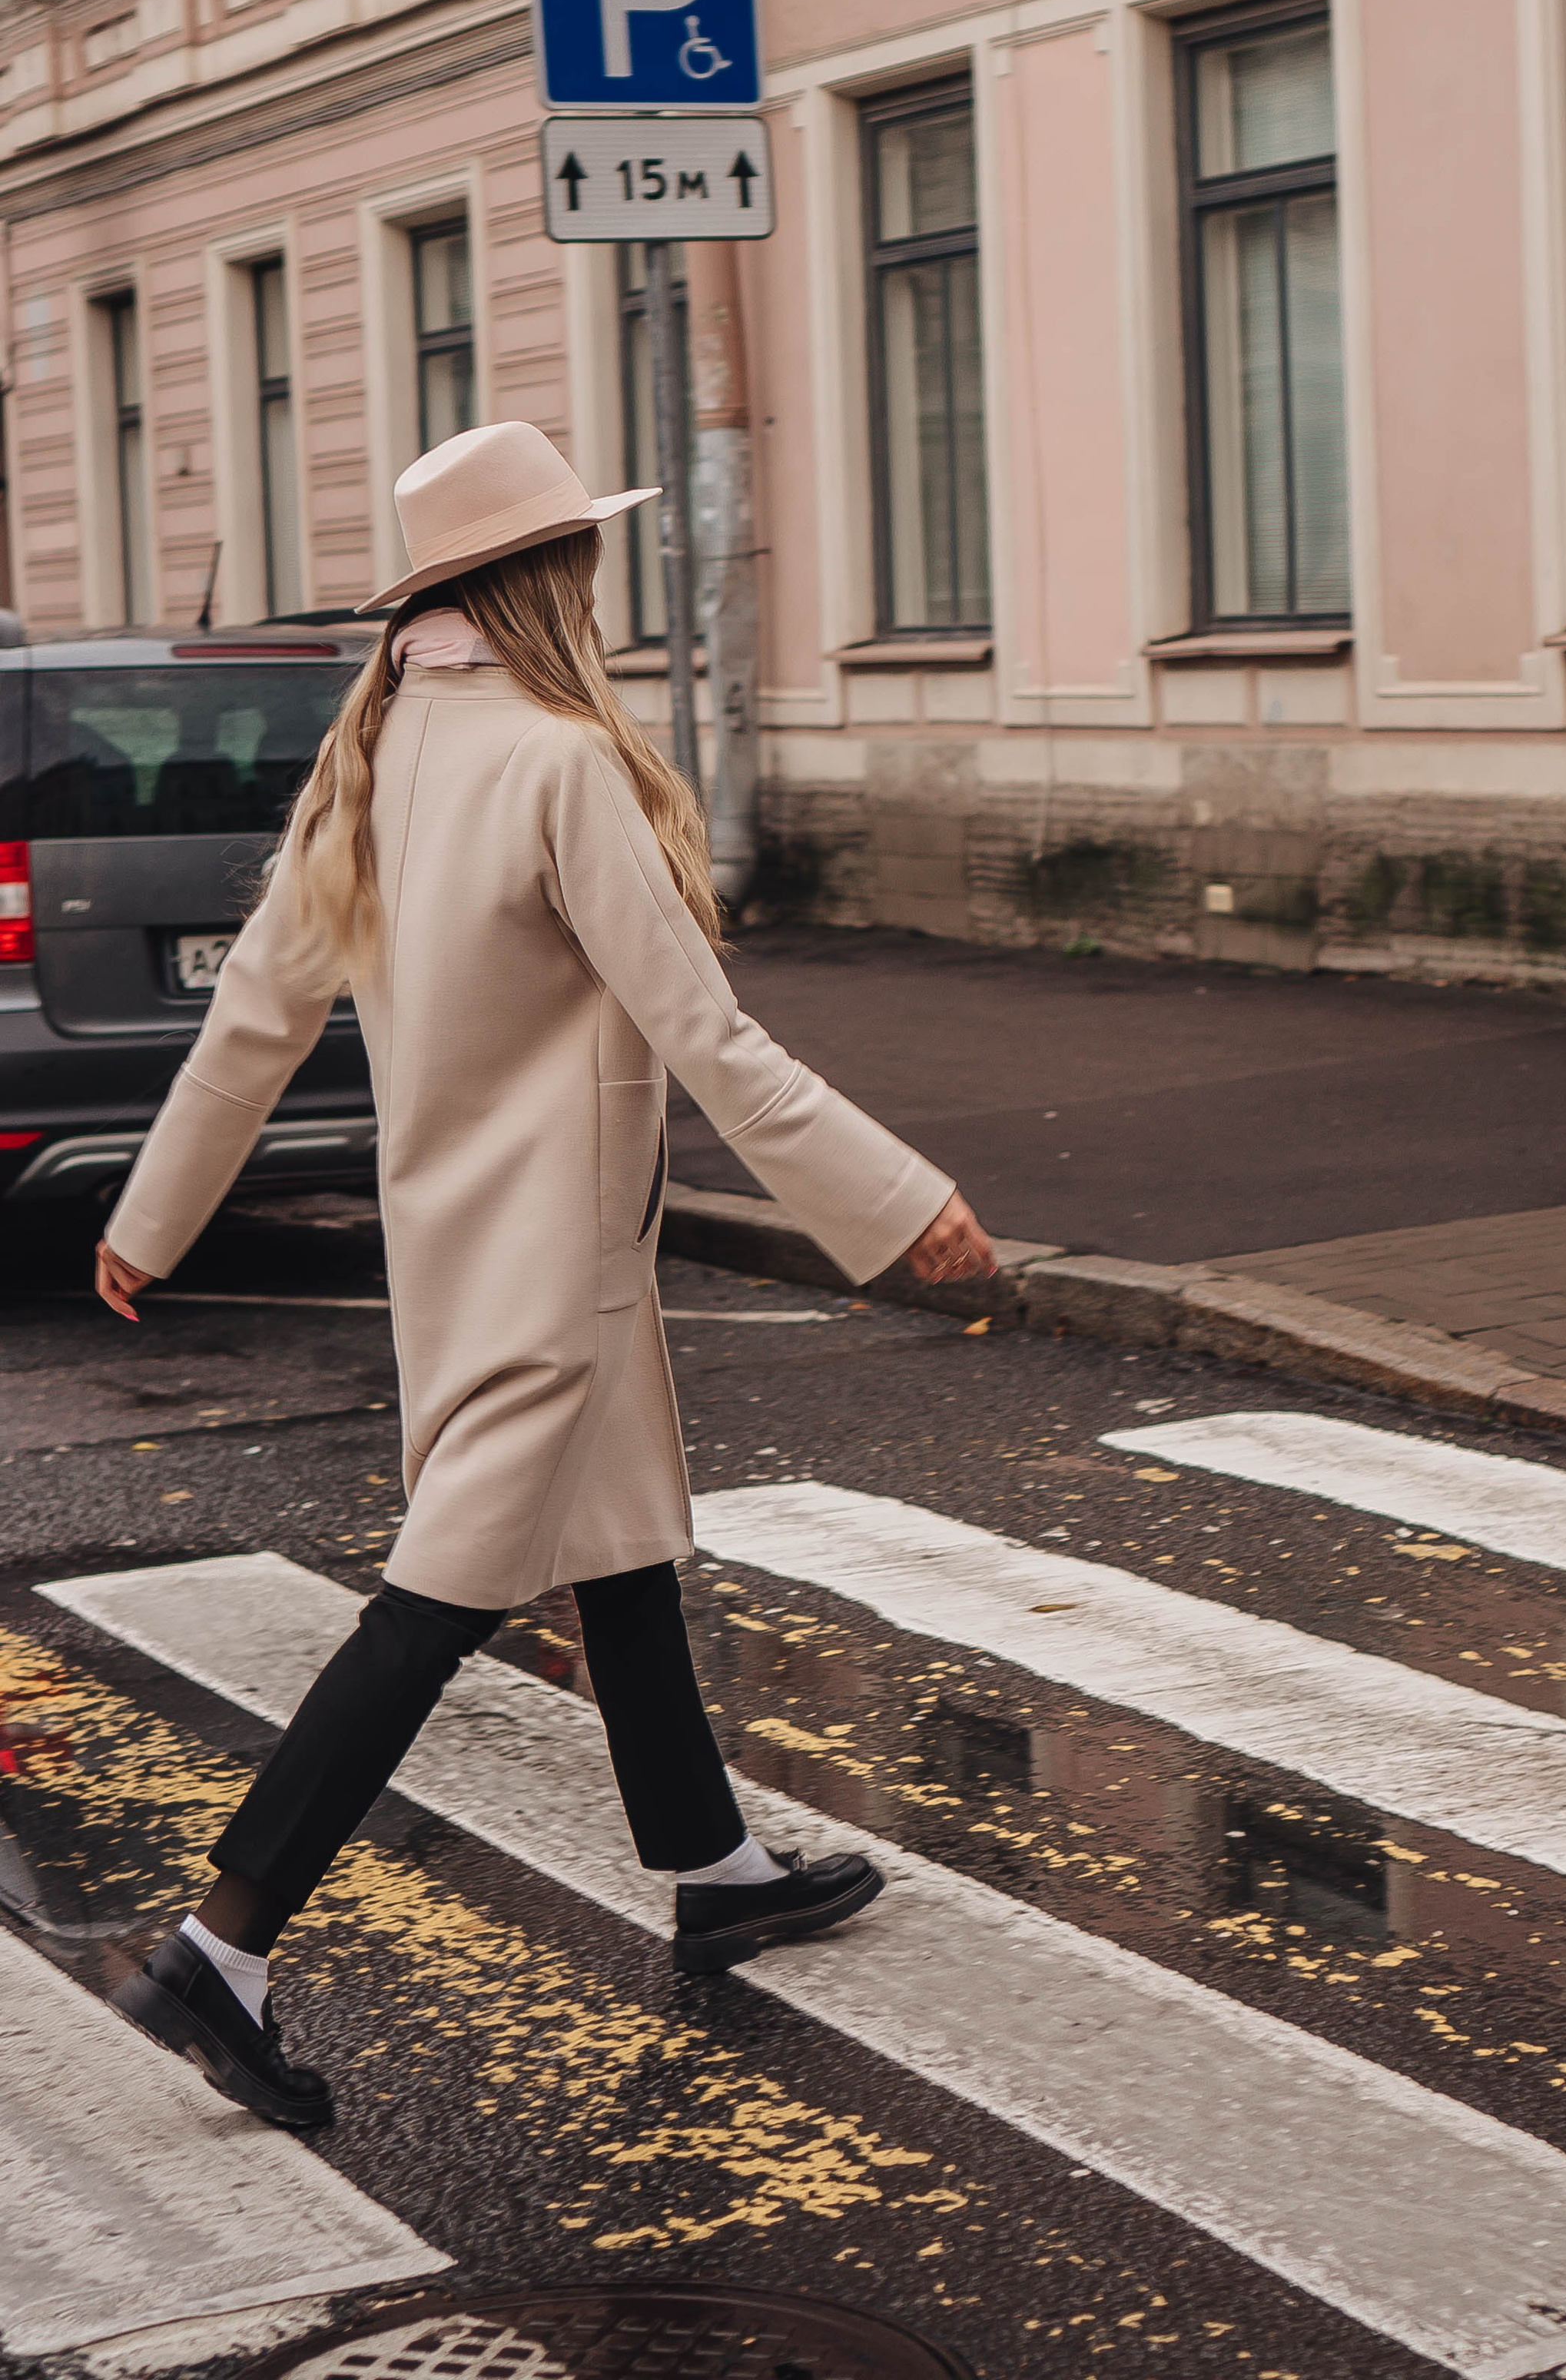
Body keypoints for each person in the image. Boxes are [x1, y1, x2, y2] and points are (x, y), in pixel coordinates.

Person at [95, 421, 994, 2133]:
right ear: (546, 578)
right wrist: (895, 1205)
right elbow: (707, 1038)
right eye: (580, 551)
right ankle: (226, 1944)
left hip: (460, 1243)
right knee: (434, 1609)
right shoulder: (560, 762)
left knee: (618, 1540)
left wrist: (151, 1215)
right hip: (552, 1256)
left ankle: (713, 1866)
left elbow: (254, 1021)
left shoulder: (371, 758)